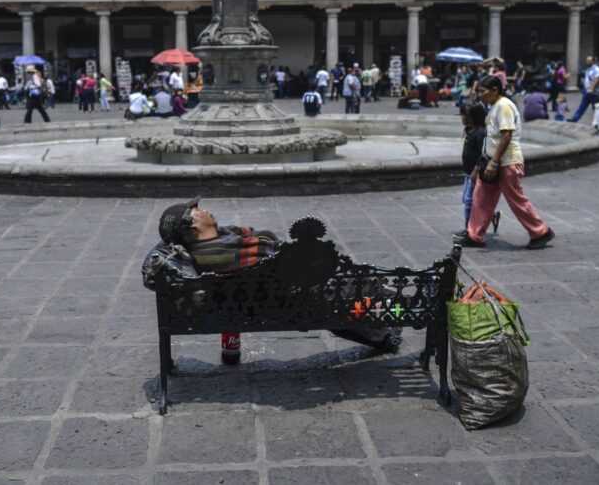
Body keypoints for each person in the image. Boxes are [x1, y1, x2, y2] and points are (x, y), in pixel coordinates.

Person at [156, 198, 400, 365]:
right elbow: (274, 245)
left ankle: (381, 334)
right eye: (197, 210)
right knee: (355, 291)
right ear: (193, 225)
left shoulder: (207, 251)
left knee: (332, 304)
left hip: (253, 305)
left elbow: (252, 235)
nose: (204, 209)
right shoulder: (230, 251)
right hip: (289, 303)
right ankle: (393, 310)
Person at [455, 76, 554, 250]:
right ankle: (475, 235)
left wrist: (494, 163)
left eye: (483, 91)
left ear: (495, 90)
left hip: (506, 162)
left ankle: (540, 232)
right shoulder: (494, 107)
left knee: (517, 200)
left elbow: (507, 135)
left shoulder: (504, 106)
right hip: (492, 161)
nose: (480, 96)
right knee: (480, 198)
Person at [460, 103, 487, 226]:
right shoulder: (470, 131)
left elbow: (483, 153)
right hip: (467, 173)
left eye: (464, 115)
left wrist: (477, 169)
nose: (462, 117)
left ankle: (468, 228)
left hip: (474, 173)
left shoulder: (480, 133)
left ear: (472, 117)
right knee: (465, 199)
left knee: (468, 200)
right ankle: (492, 215)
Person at [568, 56, 599, 123]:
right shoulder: (588, 69)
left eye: (589, 61)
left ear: (593, 61)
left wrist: (592, 88)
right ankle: (574, 120)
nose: (587, 62)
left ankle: (598, 123)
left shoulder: (596, 69)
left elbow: (597, 79)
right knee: (582, 107)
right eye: (587, 60)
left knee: (596, 108)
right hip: (587, 91)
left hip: (594, 92)